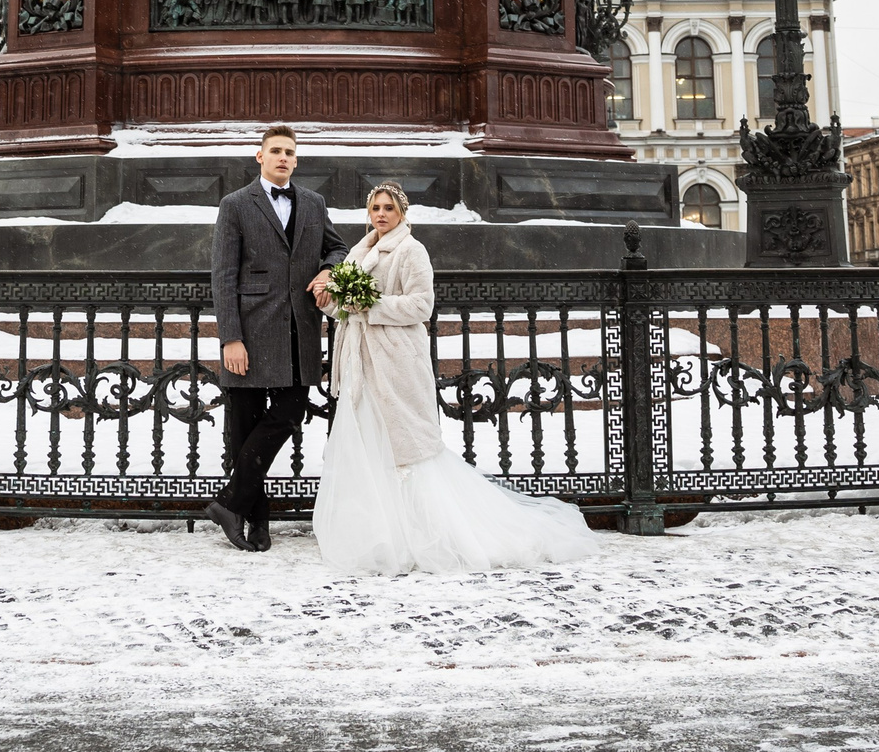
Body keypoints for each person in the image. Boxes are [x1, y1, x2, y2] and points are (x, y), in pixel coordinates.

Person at [312, 181, 592, 574]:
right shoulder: (361, 251)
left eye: (388, 208)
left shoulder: (411, 250)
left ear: (402, 213)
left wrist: (369, 303)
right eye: (375, 207)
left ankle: (422, 531)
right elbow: (347, 309)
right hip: (362, 364)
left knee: (406, 446)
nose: (380, 214)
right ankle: (381, 532)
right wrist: (331, 301)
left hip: (394, 362)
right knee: (369, 443)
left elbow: (420, 304)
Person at [206, 124, 347, 552]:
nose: (283, 157)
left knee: (288, 413)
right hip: (248, 334)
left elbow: (339, 248)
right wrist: (231, 337)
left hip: (297, 333)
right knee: (245, 430)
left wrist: (329, 269)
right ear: (260, 157)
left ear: (296, 160)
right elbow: (223, 274)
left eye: (289, 152)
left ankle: (230, 502)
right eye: (275, 151)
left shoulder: (314, 202)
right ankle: (258, 522)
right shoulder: (235, 205)